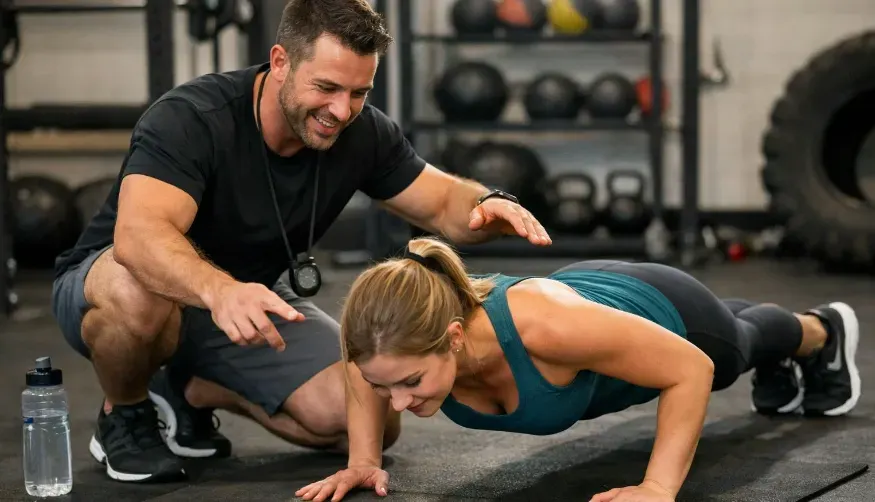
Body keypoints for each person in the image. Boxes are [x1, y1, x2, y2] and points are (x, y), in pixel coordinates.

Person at [50, 0, 551, 484]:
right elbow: (139, 239)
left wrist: (488, 204)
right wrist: (221, 291)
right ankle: (126, 412)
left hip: (250, 297)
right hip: (125, 286)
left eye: (359, 93)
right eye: (328, 87)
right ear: (280, 61)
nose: (341, 110)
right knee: (136, 293)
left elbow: (443, 200)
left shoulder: (361, 132)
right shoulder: (192, 118)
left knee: (362, 416)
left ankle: (187, 389)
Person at [296, 236, 862, 502]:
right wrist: (363, 459)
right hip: (587, 300)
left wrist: (658, 488)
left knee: (734, 348)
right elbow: (359, 366)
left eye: (411, 383)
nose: (398, 403)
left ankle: (820, 329)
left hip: (665, 306)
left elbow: (689, 369)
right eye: (383, 385)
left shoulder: (547, 330)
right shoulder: (391, 340)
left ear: (455, 336)